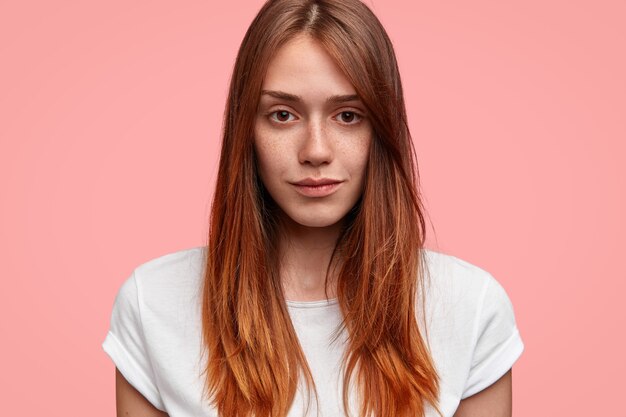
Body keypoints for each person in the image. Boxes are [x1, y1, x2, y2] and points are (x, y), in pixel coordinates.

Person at [102, 1, 524, 416]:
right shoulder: (153, 304)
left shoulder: (470, 308)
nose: (316, 151)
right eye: (283, 115)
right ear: (245, 129)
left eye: (348, 115)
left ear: (382, 128)